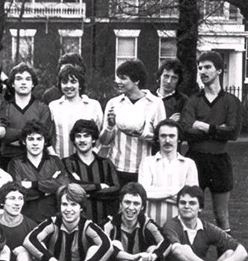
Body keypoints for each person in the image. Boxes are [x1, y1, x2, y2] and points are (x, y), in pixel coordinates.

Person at [179, 51, 243, 234]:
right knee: (190, 211)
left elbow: (233, 133)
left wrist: (204, 127)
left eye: (207, 67)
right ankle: (191, 255)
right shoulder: (193, 101)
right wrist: (217, 129)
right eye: (200, 68)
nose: (203, 71)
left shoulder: (231, 101)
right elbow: (186, 131)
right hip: (195, 160)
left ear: (219, 70)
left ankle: (228, 255)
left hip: (219, 161)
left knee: (221, 214)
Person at [100, 59, 166, 186]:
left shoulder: (155, 103)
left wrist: (142, 133)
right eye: (118, 78)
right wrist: (109, 126)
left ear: (136, 80)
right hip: (115, 167)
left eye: (123, 78)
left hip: (143, 169)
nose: (118, 82)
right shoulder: (113, 103)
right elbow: (104, 141)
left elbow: (161, 139)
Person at [138, 119, 198, 226]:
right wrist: (175, 192)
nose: (167, 140)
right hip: (151, 224)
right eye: (163, 136)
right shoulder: (147, 162)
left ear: (178, 139)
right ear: (157, 139)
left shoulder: (188, 164)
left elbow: (191, 197)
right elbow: (144, 193)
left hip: (180, 225)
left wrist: (157, 195)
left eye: (172, 136)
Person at [7, 120, 69, 223]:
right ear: (24, 141)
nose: (35, 143)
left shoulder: (55, 161)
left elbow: (63, 184)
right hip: (25, 218)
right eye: (31, 139)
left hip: (53, 217)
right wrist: (48, 189)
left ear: (45, 142)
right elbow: (17, 191)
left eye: (39, 139)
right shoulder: (15, 163)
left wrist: (32, 184)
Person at [62, 119, 120, 224]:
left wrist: (89, 195)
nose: (82, 140)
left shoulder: (106, 163)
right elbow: (71, 186)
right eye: (78, 136)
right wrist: (99, 186)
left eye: (86, 136)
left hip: (104, 222)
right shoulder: (67, 162)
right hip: (77, 224)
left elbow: (115, 190)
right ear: (74, 140)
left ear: (93, 139)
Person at [1, 63, 52, 169]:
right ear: (13, 84)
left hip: (36, 160)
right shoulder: (4, 108)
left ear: (33, 84)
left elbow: (44, 134)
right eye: (19, 79)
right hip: (7, 159)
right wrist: (29, 132)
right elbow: (3, 134)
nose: (23, 82)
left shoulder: (42, 108)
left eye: (28, 79)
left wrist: (14, 134)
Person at [49, 64, 104, 159]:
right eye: (65, 82)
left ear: (80, 85)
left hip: (87, 163)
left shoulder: (93, 105)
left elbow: (101, 136)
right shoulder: (53, 106)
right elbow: (48, 136)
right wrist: (54, 157)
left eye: (73, 82)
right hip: (61, 161)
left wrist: (93, 155)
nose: (69, 86)